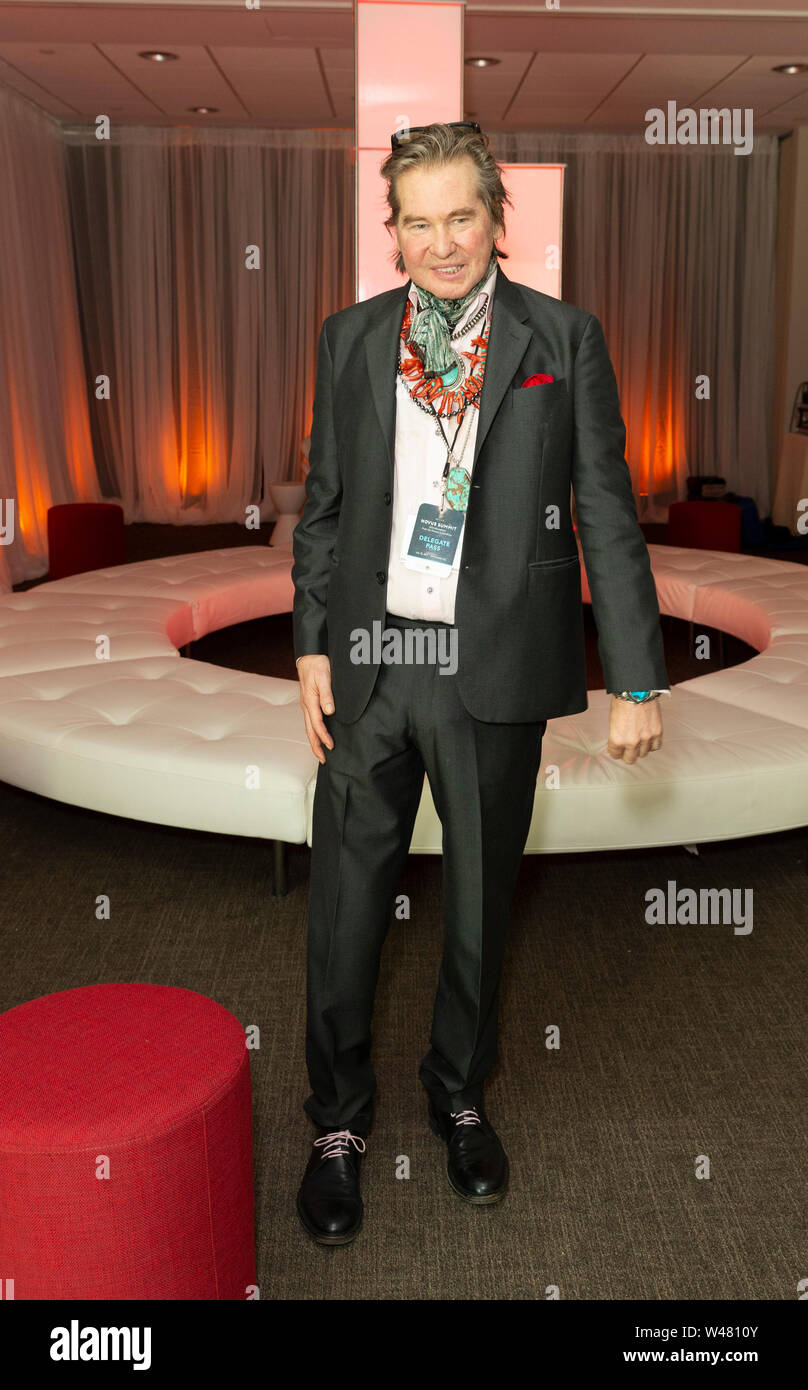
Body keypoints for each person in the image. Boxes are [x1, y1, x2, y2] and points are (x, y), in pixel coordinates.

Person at [291, 121, 669, 1246]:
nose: (443, 241)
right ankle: (338, 1123)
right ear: (393, 229)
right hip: (372, 662)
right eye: (420, 219)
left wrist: (638, 679)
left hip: (490, 666)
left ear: (498, 217)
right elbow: (324, 503)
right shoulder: (350, 337)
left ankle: (458, 1092)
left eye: (463, 215)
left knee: (475, 906)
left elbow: (603, 503)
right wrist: (312, 640)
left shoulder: (562, 337)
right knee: (345, 910)